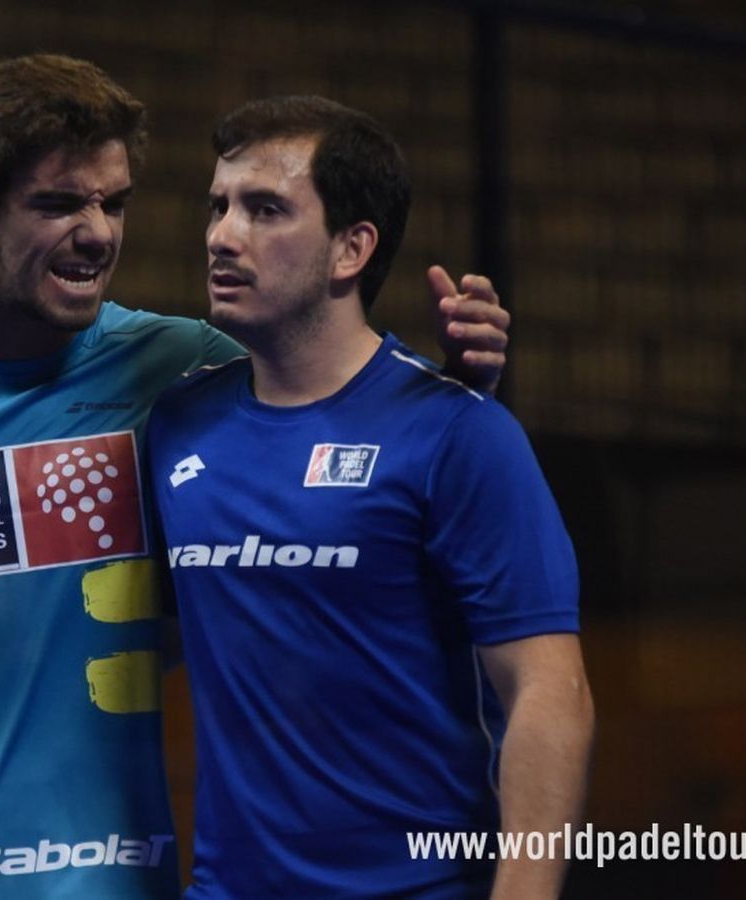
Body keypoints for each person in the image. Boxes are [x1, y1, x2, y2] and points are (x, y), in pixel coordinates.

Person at [0, 56, 511, 899]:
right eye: (59, 203)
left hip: (109, 881)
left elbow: (342, 406)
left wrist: (451, 386)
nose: (98, 232)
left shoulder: (184, 372)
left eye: (114, 202)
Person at [145, 96, 593, 898]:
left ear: (352, 248)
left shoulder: (459, 435)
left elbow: (547, 692)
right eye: (218, 207)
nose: (222, 235)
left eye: (265, 209)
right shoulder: (176, 424)